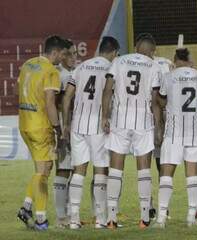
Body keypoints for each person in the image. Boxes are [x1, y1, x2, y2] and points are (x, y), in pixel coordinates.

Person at [102, 33, 163, 229]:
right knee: (144, 167)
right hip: (143, 119)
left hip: (120, 117)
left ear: (136, 46)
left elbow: (107, 89)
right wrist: (159, 127)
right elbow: (154, 102)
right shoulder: (154, 66)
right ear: (152, 51)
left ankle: (111, 217)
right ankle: (145, 218)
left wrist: (105, 115)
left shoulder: (119, 61)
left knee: (116, 167)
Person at [62, 36, 120, 229]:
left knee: (79, 170)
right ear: (113, 53)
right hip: (98, 124)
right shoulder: (112, 69)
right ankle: (100, 219)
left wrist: (66, 123)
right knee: (101, 169)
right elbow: (110, 94)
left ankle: (74, 219)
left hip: (78, 123)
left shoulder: (80, 67)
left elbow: (67, 97)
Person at [153, 48, 197, 228]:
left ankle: (161, 217)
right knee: (192, 175)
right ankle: (191, 217)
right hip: (194, 132)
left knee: (166, 175)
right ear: (190, 59)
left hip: (174, 132)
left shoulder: (168, 76)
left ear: (175, 59)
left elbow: (161, 101)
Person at [17, 35, 67, 230]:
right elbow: (49, 102)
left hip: (24, 123)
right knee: (43, 172)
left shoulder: (28, 64)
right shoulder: (51, 71)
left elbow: (17, 88)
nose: (62, 58)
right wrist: (58, 128)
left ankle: (26, 208)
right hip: (40, 127)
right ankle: (41, 220)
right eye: (62, 54)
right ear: (54, 52)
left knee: (42, 169)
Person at [53, 39, 77, 228]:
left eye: (76, 53)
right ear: (61, 55)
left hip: (75, 127)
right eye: (69, 54)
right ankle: (61, 217)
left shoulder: (72, 73)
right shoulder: (59, 75)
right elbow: (58, 103)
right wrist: (62, 128)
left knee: (74, 169)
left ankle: (69, 214)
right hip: (64, 127)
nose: (73, 57)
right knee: (63, 168)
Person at [149, 54, 173, 219]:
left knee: (153, 164)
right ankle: (157, 207)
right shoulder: (167, 64)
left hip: (151, 118)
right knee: (157, 164)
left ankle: (154, 206)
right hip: (155, 117)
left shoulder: (160, 64)